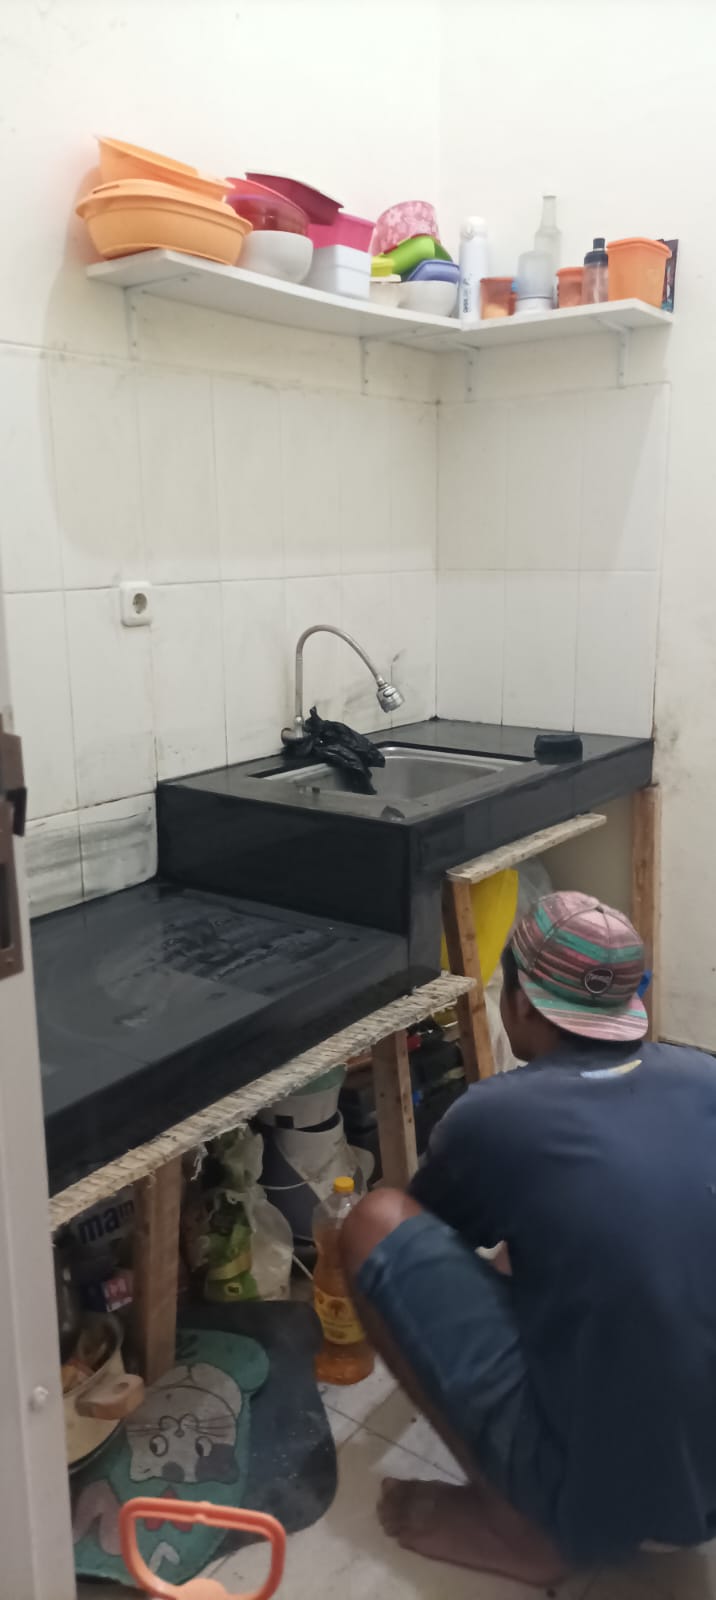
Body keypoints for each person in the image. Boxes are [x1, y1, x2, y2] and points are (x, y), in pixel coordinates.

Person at [340, 891, 716, 1584]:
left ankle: (518, 1528)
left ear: (521, 1004)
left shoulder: (495, 1115)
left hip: (618, 1500)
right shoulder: (705, 1077)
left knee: (374, 1224)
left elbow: (432, 1243)